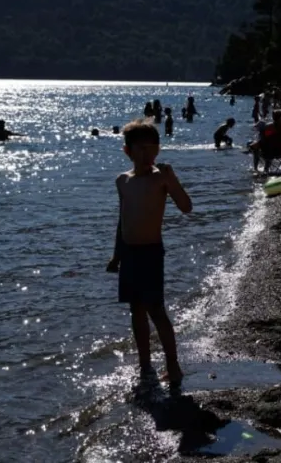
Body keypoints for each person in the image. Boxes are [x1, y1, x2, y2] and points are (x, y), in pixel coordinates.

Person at [105, 119, 193, 385]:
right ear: (127, 151)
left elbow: (186, 207)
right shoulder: (123, 181)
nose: (147, 154)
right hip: (129, 253)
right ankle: (145, 365)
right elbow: (122, 221)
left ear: (158, 149)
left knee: (156, 310)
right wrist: (116, 255)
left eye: (152, 148)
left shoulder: (160, 178)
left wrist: (172, 179)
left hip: (151, 252)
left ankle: (173, 366)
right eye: (140, 149)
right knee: (136, 310)